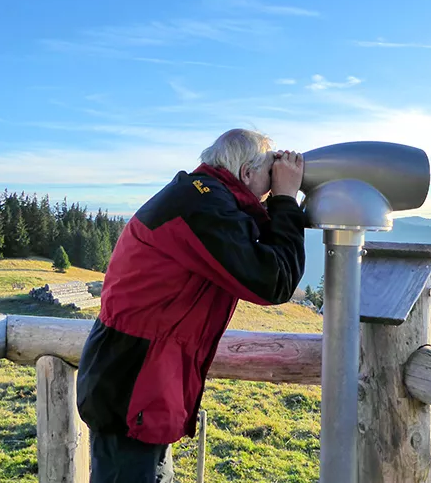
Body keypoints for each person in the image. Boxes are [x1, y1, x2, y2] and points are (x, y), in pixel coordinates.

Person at [76, 128, 306, 482]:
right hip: (136, 383)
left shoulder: (196, 197)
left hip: (133, 375)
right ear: (246, 173)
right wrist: (286, 200)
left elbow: (246, 240)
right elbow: (275, 281)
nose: (271, 184)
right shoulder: (201, 207)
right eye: (268, 174)